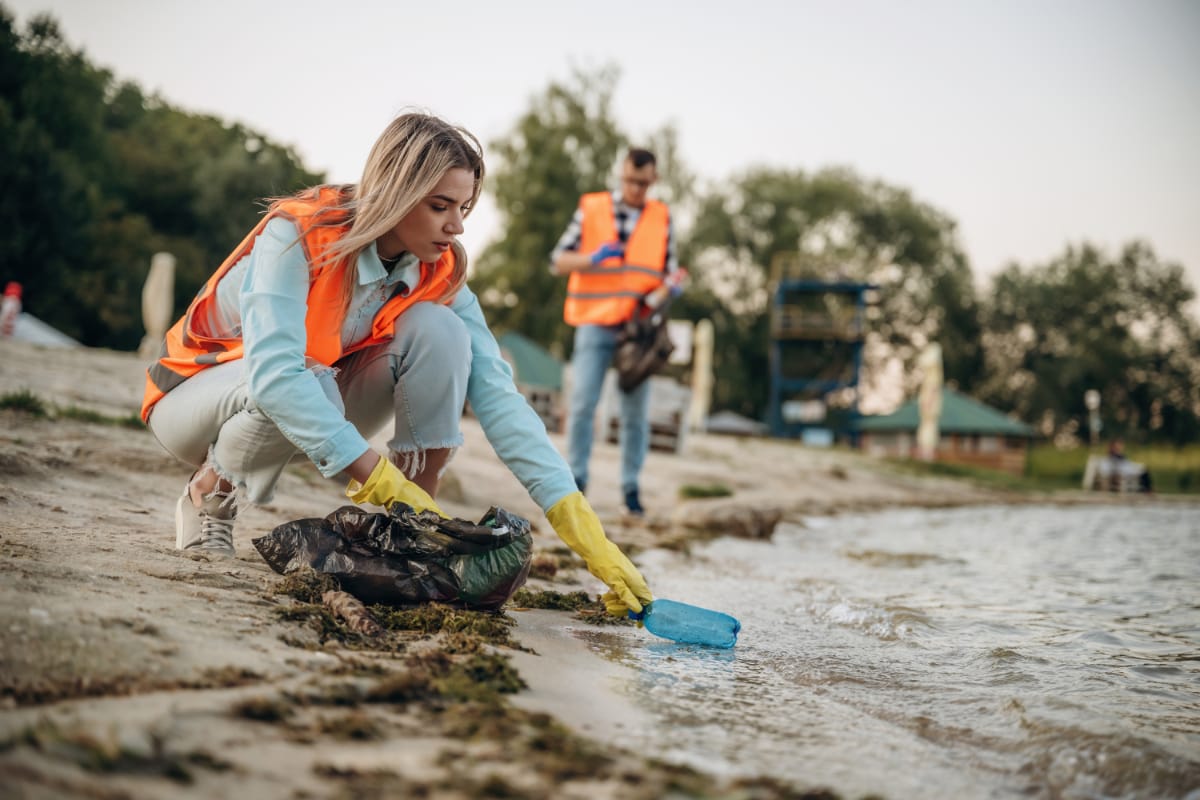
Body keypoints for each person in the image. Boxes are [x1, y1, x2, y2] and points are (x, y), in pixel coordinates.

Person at [140, 112, 652, 618]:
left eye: (464, 207)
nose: (456, 226)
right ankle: (211, 493)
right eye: (440, 206)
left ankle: (412, 536)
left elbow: (499, 398)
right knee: (302, 375)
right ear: (396, 192)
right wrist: (381, 481)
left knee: (444, 333)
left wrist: (581, 526)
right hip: (191, 400)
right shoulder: (298, 233)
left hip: (313, 405)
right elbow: (276, 377)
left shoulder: (439, 270)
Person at [551, 148, 678, 517]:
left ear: (653, 180)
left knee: (636, 414)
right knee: (582, 405)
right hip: (594, 321)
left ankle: (630, 489)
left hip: (637, 332)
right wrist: (593, 258)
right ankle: (576, 483)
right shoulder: (592, 209)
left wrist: (669, 287)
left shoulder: (662, 217)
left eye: (643, 182)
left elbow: (669, 271)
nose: (636, 188)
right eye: (630, 181)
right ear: (621, 176)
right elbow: (558, 260)